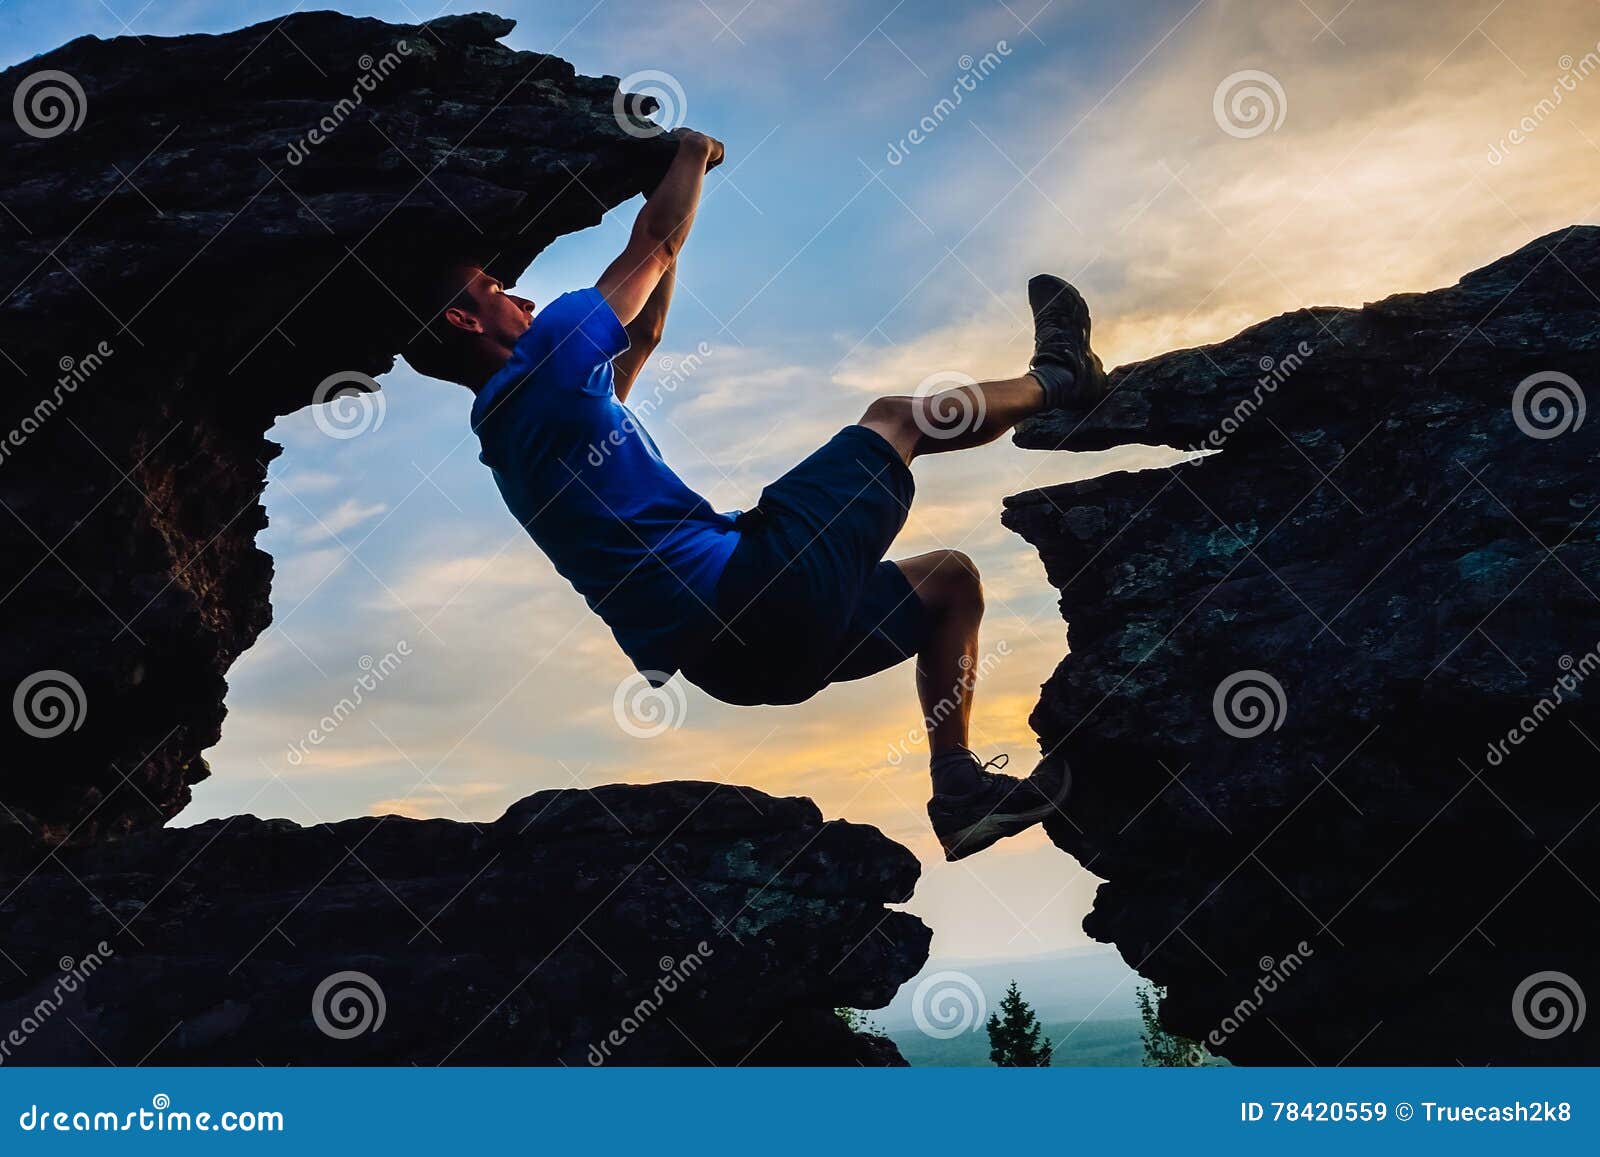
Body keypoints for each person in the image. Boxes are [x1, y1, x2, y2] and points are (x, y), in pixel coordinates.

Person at [401, 129, 1107, 860]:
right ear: (463, 319)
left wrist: (662, 197)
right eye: (493, 290)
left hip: (737, 668)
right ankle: (1061, 378)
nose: (518, 295)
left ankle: (958, 791)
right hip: (758, 589)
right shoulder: (548, 352)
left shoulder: (512, 439)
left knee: (950, 583)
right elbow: (655, 250)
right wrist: (688, 156)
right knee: (893, 420)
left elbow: (643, 337)